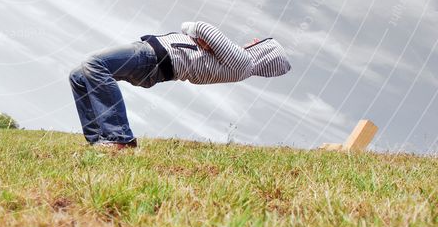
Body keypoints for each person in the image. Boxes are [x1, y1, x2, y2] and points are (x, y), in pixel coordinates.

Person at [69, 21, 292, 149]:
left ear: (265, 53)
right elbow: (201, 34)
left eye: (259, 43)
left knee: (94, 63)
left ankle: (119, 139)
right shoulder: (239, 64)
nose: (253, 40)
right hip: (154, 63)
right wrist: (197, 36)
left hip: (153, 58)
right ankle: (99, 141)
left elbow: (202, 27)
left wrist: (191, 30)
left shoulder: (243, 62)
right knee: (78, 76)